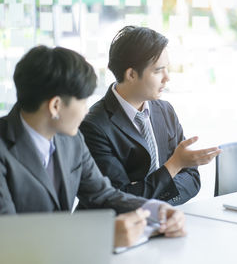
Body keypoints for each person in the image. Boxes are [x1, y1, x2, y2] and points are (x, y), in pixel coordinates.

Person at [0, 45, 186, 248]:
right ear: (55, 106)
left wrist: (156, 210)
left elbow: (102, 194)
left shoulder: (71, 139)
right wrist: (101, 237)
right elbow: (7, 236)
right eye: (83, 101)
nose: (87, 110)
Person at [79, 26, 221, 205]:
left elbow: (192, 178)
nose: (167, 78)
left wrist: (156, 203)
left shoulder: (164, 110)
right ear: (131, 74)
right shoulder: (94, 125)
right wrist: (174, 166)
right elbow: (119, 198)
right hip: (111, 228)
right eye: (158, 70)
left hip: (163, 223)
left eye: (167, 68)